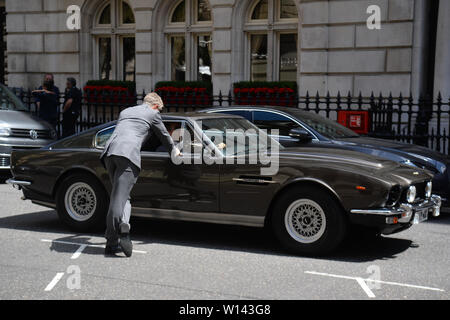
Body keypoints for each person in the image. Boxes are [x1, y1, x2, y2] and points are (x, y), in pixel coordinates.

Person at [100, 92, 181, 257]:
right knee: (118, 200)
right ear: (156, 106)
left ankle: (117, 234)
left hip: (110, 153)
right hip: (128, 155)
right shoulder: (153, 114)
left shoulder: (126, 111)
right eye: (160, 110)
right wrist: (174, 149)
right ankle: (118, 234)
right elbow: (164, 135)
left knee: (121, 197)